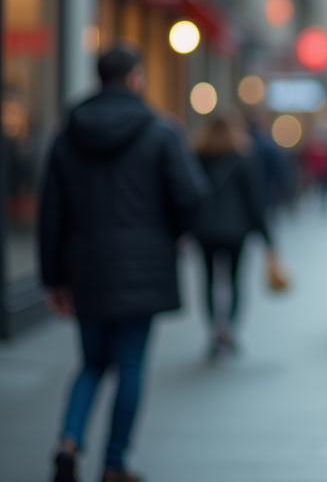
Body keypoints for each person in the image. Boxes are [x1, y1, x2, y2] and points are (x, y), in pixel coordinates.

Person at [38, 45, 209, 482]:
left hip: (86, 267)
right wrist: (171, 234)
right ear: (135, 77)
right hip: (143, 265)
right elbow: (191, 195)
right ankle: (114, 463)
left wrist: (53, 278)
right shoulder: (160, 131)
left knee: (92, 362)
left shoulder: (67, 133)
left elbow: (50, 211)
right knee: (130, 364)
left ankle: (69, 440)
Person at [192, 113, 275, 358]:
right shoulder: (243, 158)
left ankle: (212, 330)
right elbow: (254, 201)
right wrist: (267, 239)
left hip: (204, 229)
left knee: (208, 280)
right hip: (236, 229)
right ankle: (230, 329)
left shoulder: (197, 156)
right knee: (235, 280)